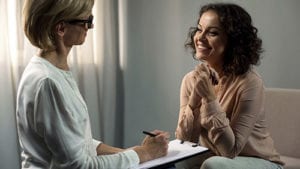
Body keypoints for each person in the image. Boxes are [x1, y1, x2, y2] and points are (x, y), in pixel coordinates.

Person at [16, 0, 170, 168]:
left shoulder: (50, 70)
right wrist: (144, 153)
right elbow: (80, 166)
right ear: (61, 28)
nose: (90, 27)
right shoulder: (48, 82)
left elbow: (80, 143)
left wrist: (136, 152)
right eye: (86, 22)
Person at [175, 3, 284, 169]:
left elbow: (230, 150)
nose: (200, 37)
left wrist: (210, 99)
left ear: (233, 41)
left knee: (214, 164)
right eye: (199, 29)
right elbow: (185, 142)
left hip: (260, 161)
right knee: (176, 158)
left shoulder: (250, 82)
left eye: (212, 33)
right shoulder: (191, 80)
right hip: (216, 156)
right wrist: (195, 98)